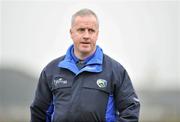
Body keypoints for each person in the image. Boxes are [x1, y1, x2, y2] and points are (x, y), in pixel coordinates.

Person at [30, 8, 140, 122]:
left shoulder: (115, 71)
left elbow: (130, 110)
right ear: (71, 33)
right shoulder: (51, 71)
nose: (86, 35)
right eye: (81, 30)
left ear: (97, 34)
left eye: (91, 30)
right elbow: (39, 112)